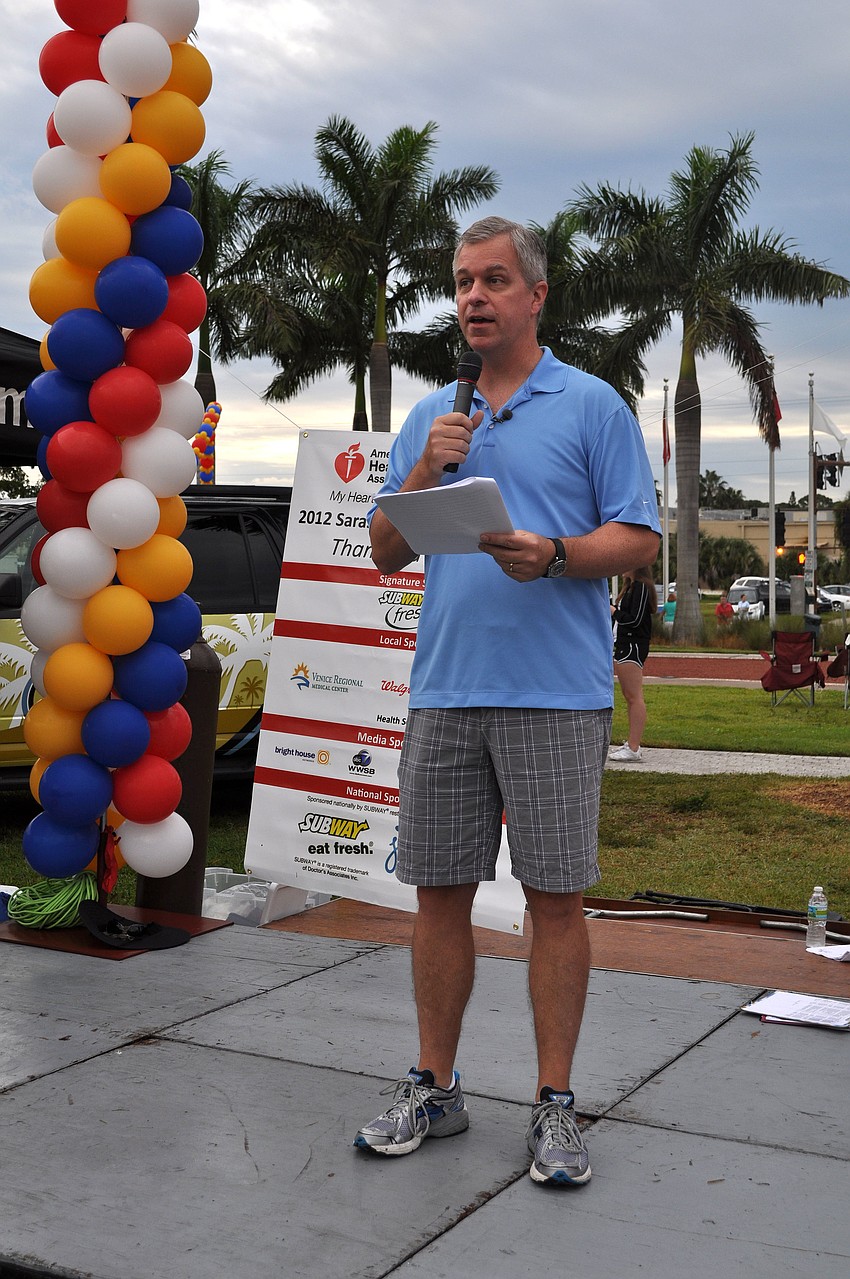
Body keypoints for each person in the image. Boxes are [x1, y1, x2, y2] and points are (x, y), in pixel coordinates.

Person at [359, 216, 660, 1187]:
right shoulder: (431, 418)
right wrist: (422, 471)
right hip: (445, 690)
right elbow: (382, 548)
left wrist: (558, 555)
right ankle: (435, 1086)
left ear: (536, 295)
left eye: (493, 281)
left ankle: (554, 1104)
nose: (474, 298)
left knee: (553, 900)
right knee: (437, 895)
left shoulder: (590, 405)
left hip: (555, 699)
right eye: (461, 283)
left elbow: (641, 537)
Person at [609, 567, 657, 762]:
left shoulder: (641, 587)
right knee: (630, 696)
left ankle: (634, 747)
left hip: (633, 644)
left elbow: (635, 620)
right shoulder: (631, 587)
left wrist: (614, 612)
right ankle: (631, 743)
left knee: (634, 696)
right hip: (624, 644)